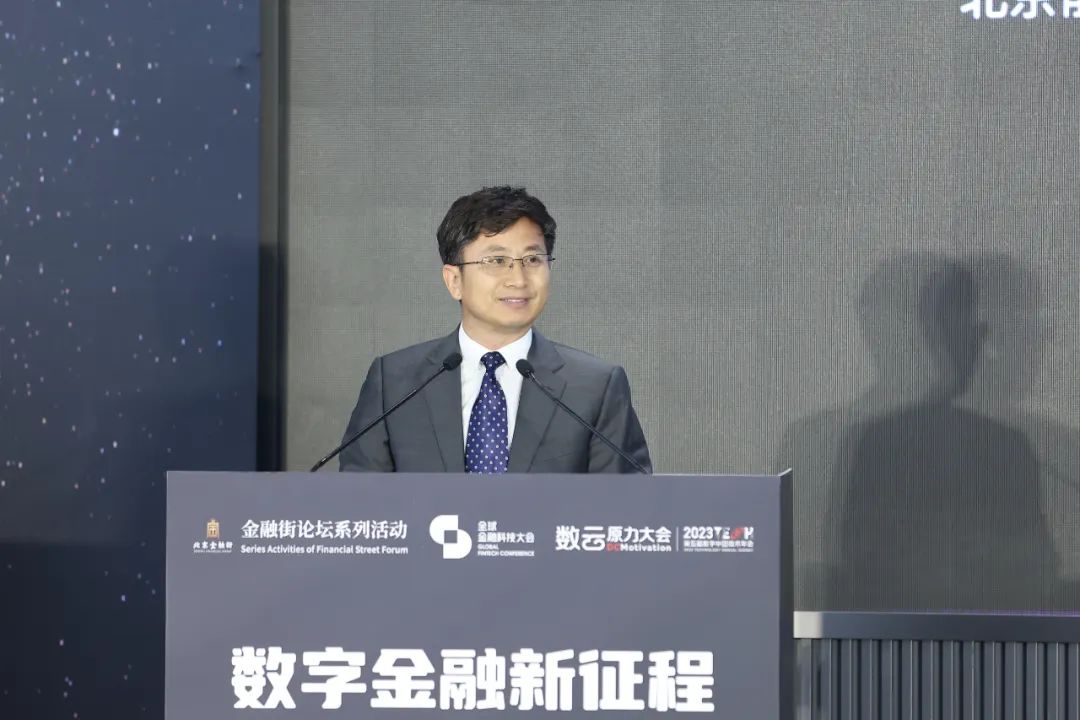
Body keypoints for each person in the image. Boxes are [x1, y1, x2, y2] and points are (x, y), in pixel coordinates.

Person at [339, 186, 652, 474]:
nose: (518, 279)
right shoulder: (395, 383)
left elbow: (629, 505)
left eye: (533, 259)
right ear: (454, 280)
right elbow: (357, 501)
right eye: (497, 260)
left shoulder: (594, 387)